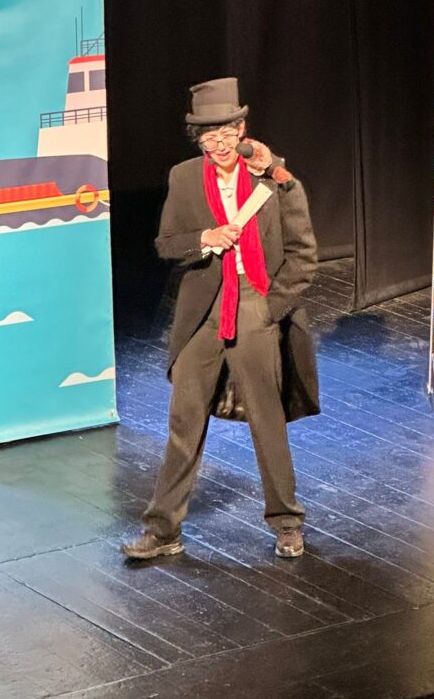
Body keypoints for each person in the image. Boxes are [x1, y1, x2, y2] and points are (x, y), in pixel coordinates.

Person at [122, 77, 319, 561]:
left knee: (266, 417)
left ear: (242, 130)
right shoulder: (185, 177)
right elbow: (167, 243)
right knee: (183, 418)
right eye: (210, 137)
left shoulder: (272, 177)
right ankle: (163, 529)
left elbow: (303, 252)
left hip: (255, 300)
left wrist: (272, 307)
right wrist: (204, 239)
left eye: (227, 133)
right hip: (205, 309)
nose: (220, 145)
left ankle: (287, 521)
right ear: (199, 140)